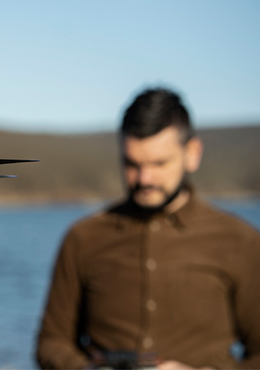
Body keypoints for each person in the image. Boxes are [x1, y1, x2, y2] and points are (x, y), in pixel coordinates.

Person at [36, 87, 260, 369]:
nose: (145, 178)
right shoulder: (82, 238)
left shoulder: (240, 241)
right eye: (132, 164)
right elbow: (51, 344)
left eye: (159, 163)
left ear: (192, 153)